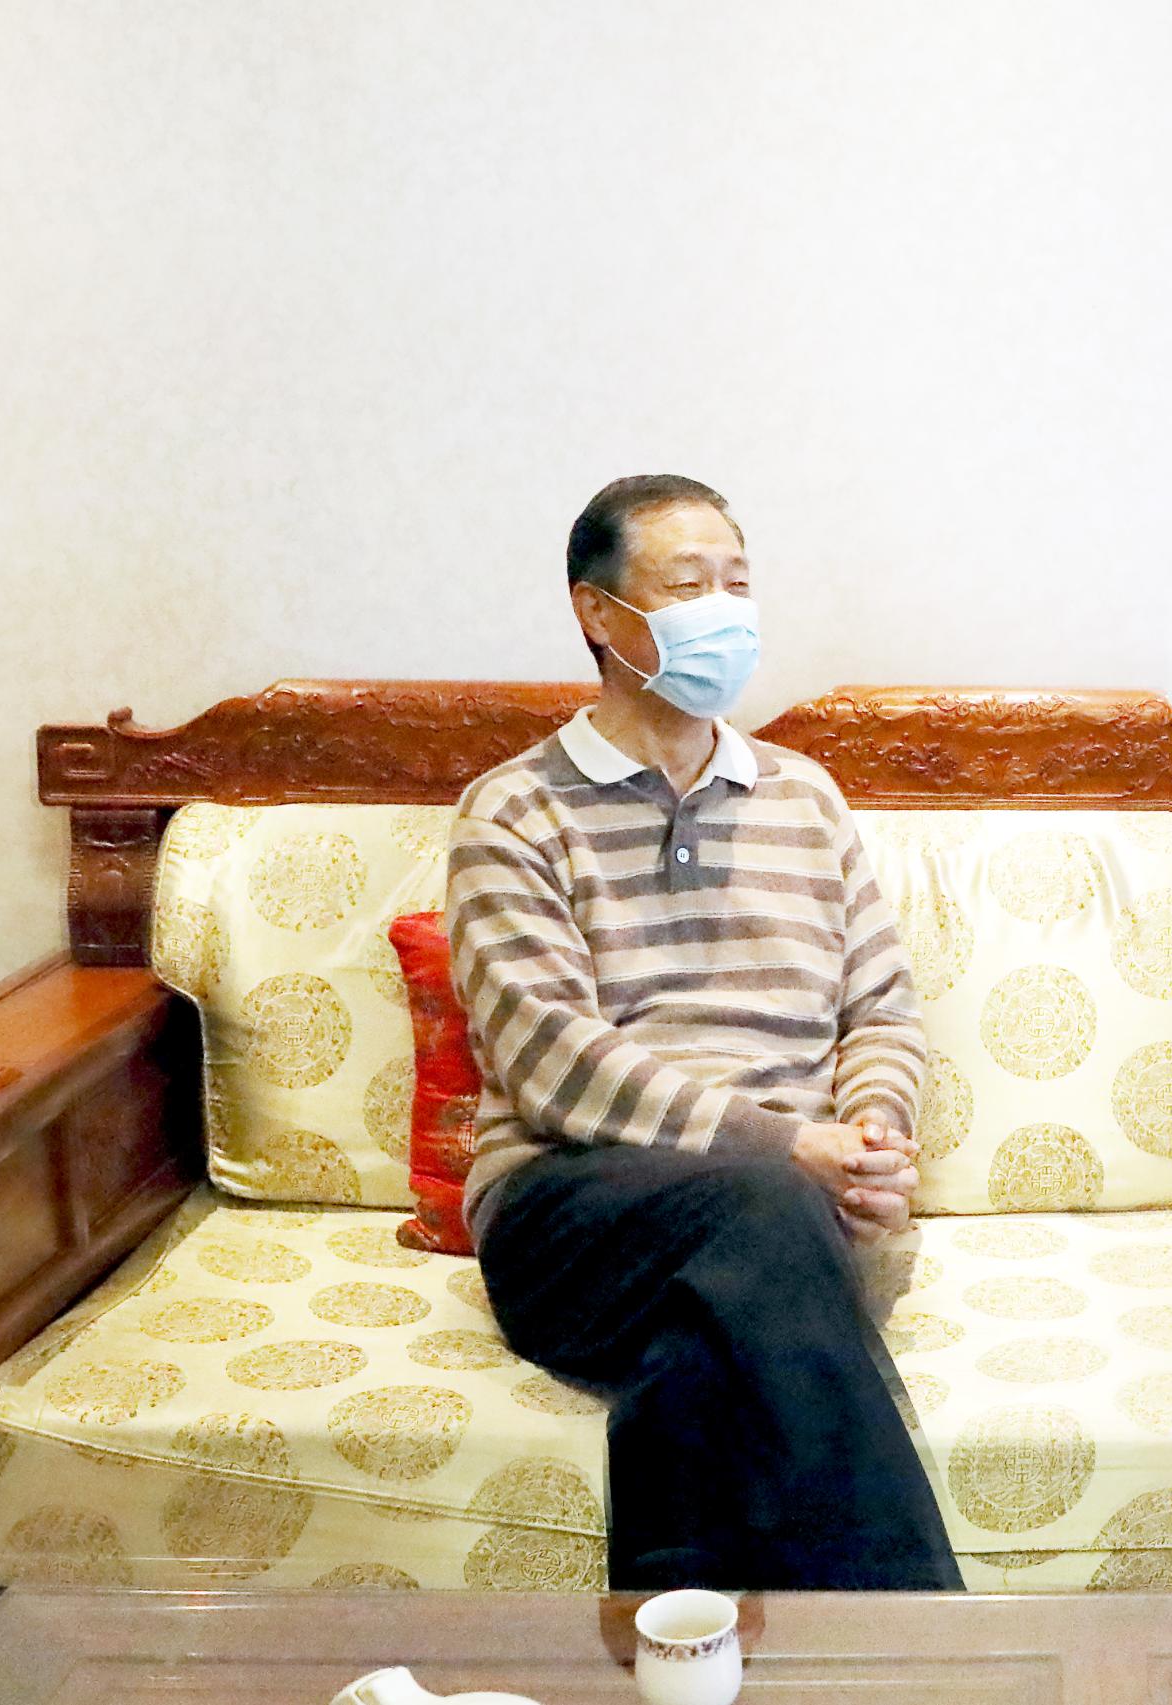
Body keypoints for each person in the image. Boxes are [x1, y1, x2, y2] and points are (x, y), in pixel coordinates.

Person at [447, 474, 960, 1591]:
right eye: (688, 585)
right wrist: (791, 1146)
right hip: (569, 1212)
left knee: (691, 1371)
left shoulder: (804, 798)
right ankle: (922, 1639)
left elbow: (879, 1007)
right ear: (597, 612)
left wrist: (872, 1135)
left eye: (737, 582)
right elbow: (549, 1058)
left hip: (789, 1216)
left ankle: (673, 1651)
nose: (723, 608)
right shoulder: (515, 810)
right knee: (762, 1206)